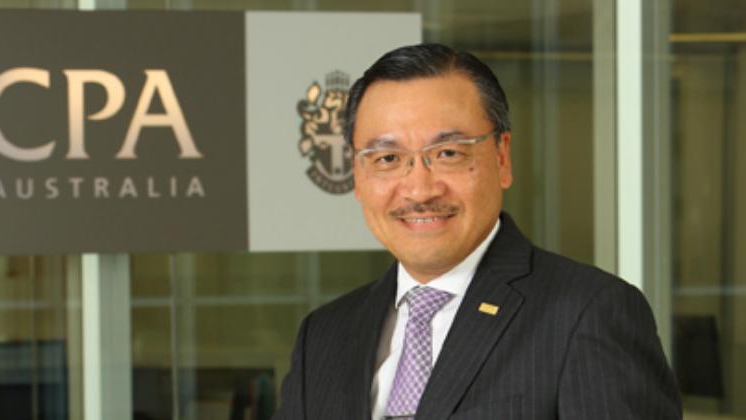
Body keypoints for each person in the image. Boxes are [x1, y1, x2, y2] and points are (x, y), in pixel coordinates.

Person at [273, 43, 682, 420]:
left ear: (502, 158)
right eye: (388, 158)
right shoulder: (324, 335)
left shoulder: (588, 313)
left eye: (448, 153)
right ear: (357, 175)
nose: (419, 189)